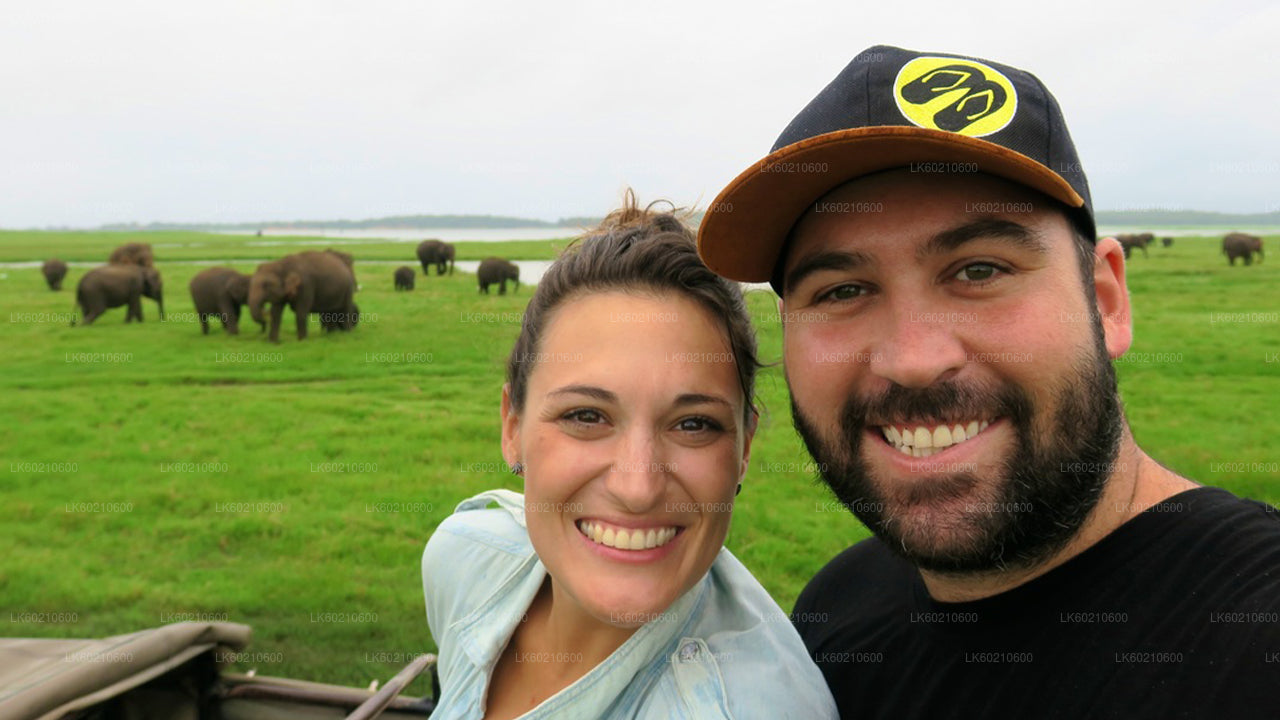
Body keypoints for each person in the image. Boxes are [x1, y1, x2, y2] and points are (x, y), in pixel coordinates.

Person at [696, 45, 1280, 719]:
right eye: (843, 290)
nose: (913, 359)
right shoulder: (834, 616)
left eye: (979, 271)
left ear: (1107, 300)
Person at [421, 195, 837, 719]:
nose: (637, 488)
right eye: (586, 416)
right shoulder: (464, 559)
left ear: (744, 448)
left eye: (693, 425)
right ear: (512, 426)